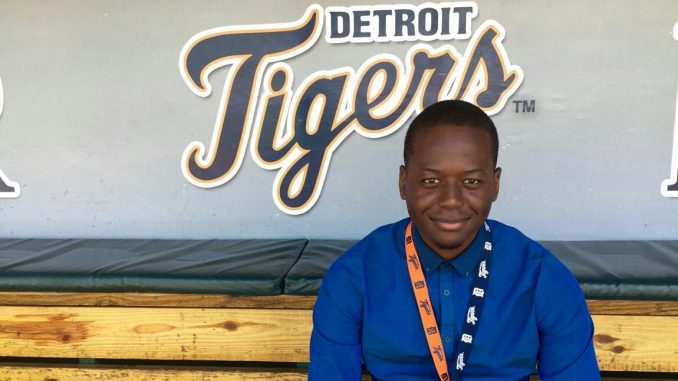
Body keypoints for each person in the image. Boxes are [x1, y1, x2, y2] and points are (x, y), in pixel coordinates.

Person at [309, 100, 600, 380]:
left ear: (495, 185)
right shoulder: (354, 276)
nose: (451, 201)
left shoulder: (543, 278)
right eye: (431, 181)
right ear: (403, 183)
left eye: (471, 181)